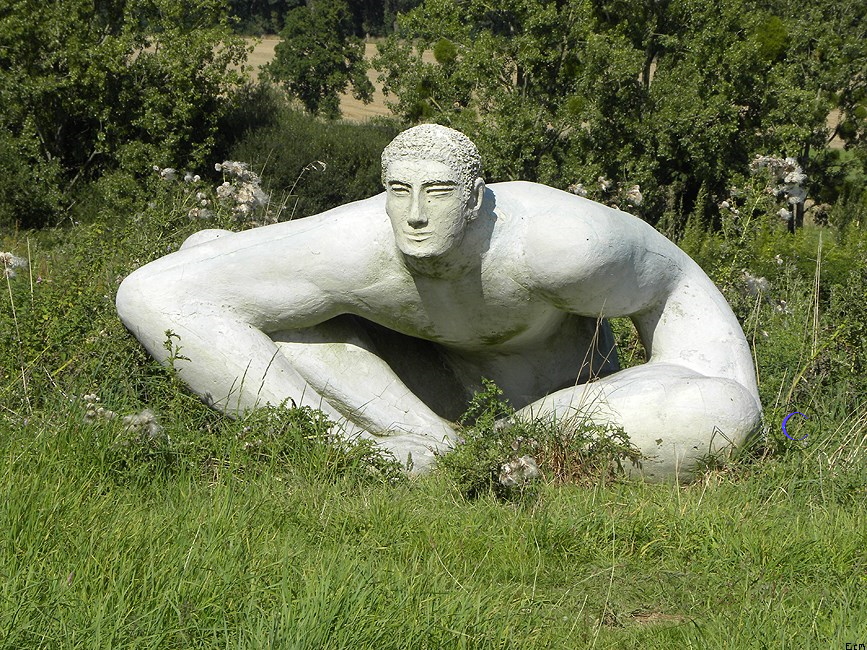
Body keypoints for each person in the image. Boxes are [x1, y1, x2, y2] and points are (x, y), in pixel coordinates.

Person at [116, 124, 762, 480]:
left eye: (441, 192)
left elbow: (677, 285)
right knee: (209, 251)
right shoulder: (351, 245)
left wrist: (745, 415)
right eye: (399, 192)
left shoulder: (563, 244)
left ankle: (469, 459)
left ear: (477, 198)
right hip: (410, 402)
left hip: (567, 400)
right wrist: (339, 447)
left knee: (719, 411)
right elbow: (157, 291)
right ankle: (390, 461)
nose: (416, 215)